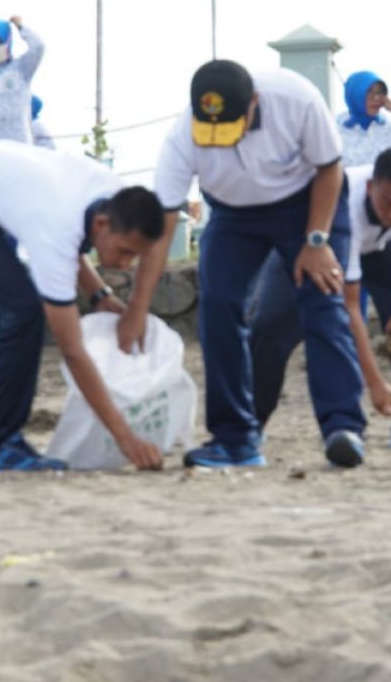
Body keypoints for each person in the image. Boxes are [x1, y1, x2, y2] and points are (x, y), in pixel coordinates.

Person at [118, 60, 366, 469]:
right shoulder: (183, 136)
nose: (220, 141)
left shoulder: (296, 98)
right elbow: (162, 227)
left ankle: (343, 428)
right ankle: (235, 439)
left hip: (308, 204)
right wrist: (137, 309)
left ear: (254, 101)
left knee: (322, 299)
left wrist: (317, 240)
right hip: (234, 215)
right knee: (218, 305)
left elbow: (329, 167)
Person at [0, 139, 166, 473]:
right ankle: (2, 444)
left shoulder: (117, 199)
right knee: (21, 310)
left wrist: (100, 296)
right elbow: (72, 350)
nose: (126, 264)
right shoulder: (57, 223)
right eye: (124, 251)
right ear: (103, 226)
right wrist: (125, 438)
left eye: (135, 256)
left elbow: (75, 242)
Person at [250, 147, 391, 446]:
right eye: (387, 202)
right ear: (369, 187)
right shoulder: (347, 206)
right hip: (312, 246)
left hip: (379, 248)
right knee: (270, 326)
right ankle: (250, 422)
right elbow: (347, 306)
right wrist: (375, 383)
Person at [336, 71, 391, 168]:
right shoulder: (335, 127)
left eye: (380, 93)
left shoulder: (389, 128)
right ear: (355, 93)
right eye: (369, 92)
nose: (376, 98)